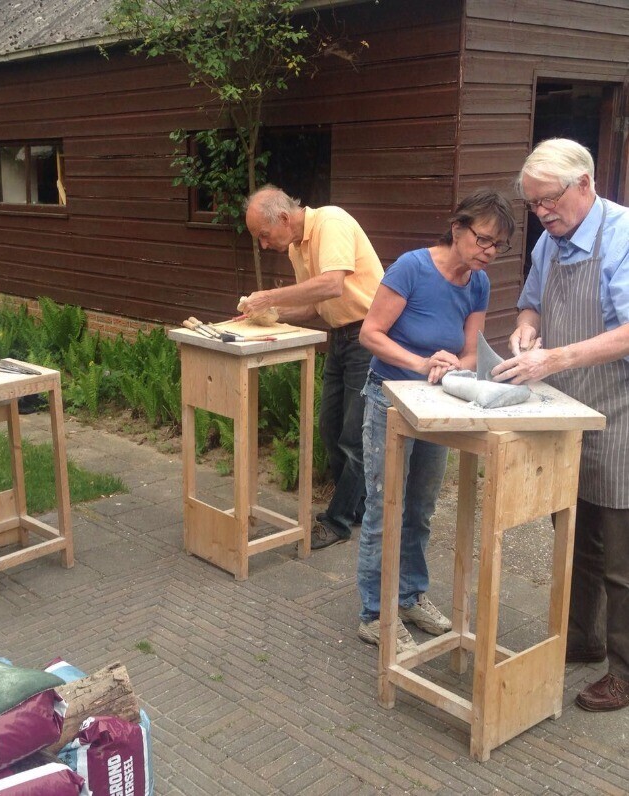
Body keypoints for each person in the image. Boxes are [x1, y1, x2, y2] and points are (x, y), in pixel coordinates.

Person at [492, 138, 629, 712]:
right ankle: (583, 638)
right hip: (565, 408)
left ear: (585, 185)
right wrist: (527, 330)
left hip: (619, 410)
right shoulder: (551, 242)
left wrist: (556, 358)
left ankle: (624, 672)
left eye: (549, 200)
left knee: (622, 552)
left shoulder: (622, 235)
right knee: (574, 532)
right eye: (533, 205)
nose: (543, 213)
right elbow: (532, 304)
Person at [357, 189, 515, 652]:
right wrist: (422, 362)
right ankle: (373, 612)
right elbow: (371, 334)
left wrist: (457, 366)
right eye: (483, 240)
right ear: (457, 229)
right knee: (384, 507)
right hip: (389, 401)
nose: (488, 252)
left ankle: (408, 597)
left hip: (437, 408)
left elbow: (470, 351)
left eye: (497, 245)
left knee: (421, 509)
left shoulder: (479, 283)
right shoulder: (412, 267)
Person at [243, 185, 384, 550]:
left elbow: (333, 284)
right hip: (340, 338)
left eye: (263, 235)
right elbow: (313, 305)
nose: (264, 244)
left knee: (354, 437)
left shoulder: (331, 221)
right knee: (330, 429)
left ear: (285, 219)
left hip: (368, 337)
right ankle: (359, 509)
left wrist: (270, 295)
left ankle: (336, 521)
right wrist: (265, 315)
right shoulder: (296, 246)